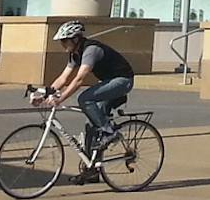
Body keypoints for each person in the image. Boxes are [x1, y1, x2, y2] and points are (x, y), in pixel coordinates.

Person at [34, 20, 135, 182]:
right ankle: (92, 171)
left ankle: (110, 132)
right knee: (91, 125)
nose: (62, 44)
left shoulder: (91, 50)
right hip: (107, 82)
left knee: (84, 98)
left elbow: (79, 79)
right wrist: (46, 94)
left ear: (75, 39)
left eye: (64, 41)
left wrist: (60, 98)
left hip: (122, 80)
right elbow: (63, 78)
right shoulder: (75, 54)